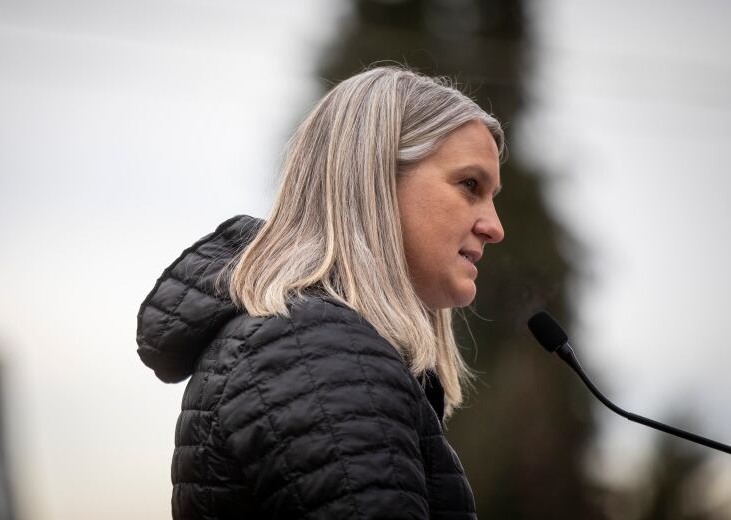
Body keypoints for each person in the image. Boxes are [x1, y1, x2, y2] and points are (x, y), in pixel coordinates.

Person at [136, 65, 504, 520]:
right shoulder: (318, 354)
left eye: (492, 196)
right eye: (470, 185)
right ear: (374, 179)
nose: (495, 227)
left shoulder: (313, 347)